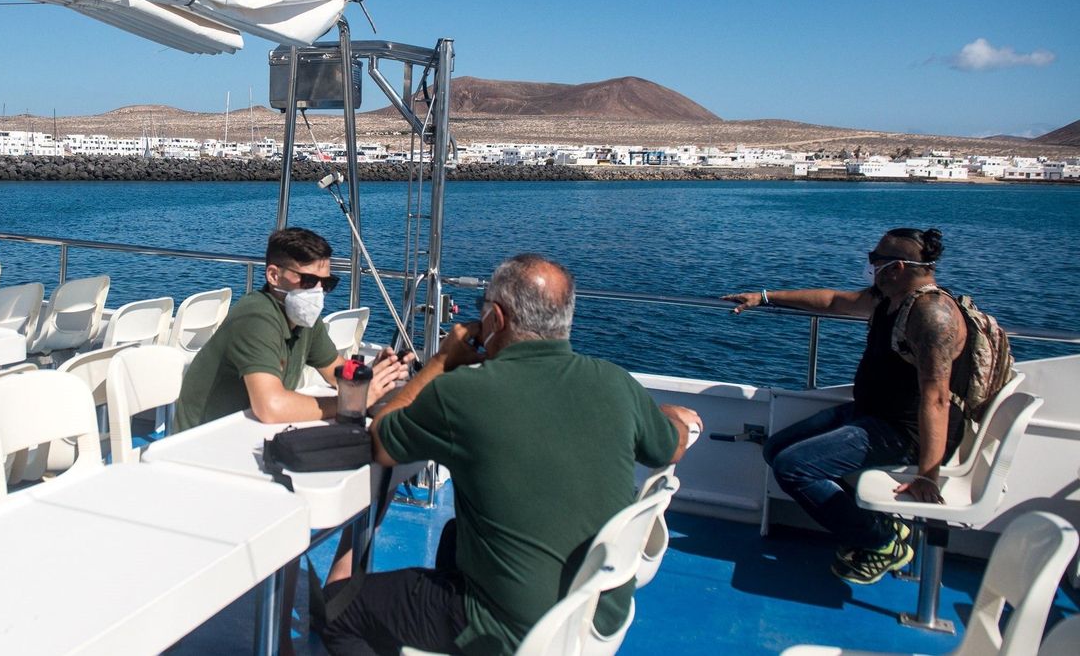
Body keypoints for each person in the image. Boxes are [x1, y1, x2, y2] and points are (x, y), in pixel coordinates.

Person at [322, 254, 700, 656]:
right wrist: (668, 415)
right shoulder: (617, 384)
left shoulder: (464, 394)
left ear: (496, 320)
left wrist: (442, 361)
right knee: (453, 535)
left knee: (336, 611)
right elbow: (672, 444)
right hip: (594, 618)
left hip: (509, 631)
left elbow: (381, 439)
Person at [722, 227, 969, 585]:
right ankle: (874, 524)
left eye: (875, 259)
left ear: (897, 267)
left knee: (793, 467)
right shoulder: (891, 297)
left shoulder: (932, 317)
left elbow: (937, 397)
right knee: (776, 448)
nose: (870, 264)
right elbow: (836, 301)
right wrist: (765, 296)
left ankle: (883, 541)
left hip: (903, 431)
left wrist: (928, 475)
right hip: (872, 413)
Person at [174, 227, 409, 432]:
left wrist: (370, 372)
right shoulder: (256, 316)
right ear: (274, 275)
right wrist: (349, 404)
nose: (318, 291)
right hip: (203, 440)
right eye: (308, 281)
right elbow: (270, 407)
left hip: (248, 431)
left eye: (326, 283)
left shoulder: (304, 318)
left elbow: (335, 371)